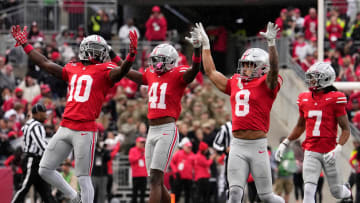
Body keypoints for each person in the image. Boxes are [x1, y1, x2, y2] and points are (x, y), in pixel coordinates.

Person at [10, 25, 138, 203]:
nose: (95, 53)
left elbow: (122, 71)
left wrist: (130, 57)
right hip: (65, 126)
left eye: (98, 50)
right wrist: (25, 45)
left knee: (84, 177)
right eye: (92, 49)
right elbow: (45, 63)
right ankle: (73, 197)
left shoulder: (105, 69)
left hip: (85, 129)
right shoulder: (73, 67)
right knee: (44, 168)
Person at [198, 21, 285, 203]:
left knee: (266, 196)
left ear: (261, 67)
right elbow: (212, 72)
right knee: (235, 194)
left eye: (249, 65)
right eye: (244, 64)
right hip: (237, 144)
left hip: (258, 145)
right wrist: (206, 46)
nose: (244, 68)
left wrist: (271, 45)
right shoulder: (236, 81)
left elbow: (275, 70)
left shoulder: (267, 84)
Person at [125, 28, 202, 203]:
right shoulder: (151, 74)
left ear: (172, 61)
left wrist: (197, 49)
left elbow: (194, 70)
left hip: (167, 130)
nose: (157, 64)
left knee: (155, 180)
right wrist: (124, 55)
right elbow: (127, 72)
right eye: (155, 60)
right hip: (151, 130)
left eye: (162, 60)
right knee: (155, 182)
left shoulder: (177, 73)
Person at [275, 62, 352, 203]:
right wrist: (285, 142)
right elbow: (299, 126)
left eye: (315, 77)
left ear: (326, 78)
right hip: (311, 150)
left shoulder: (336, 98)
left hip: (329, 152)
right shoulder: (304, 98)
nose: (311, 80)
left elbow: (346, 129)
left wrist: (338, 148)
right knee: (308, 192)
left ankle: (347, 193)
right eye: (310, 77)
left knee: (336, 192)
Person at [11, 103, 56, 203]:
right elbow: (41, 144)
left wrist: (30, 118)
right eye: (44, 113)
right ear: (38, 113)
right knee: (24, 188)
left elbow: (24, 128)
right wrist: (54, 155)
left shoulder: (30, 123)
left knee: (46, 192)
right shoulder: (36, 126)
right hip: (32, 160)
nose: (46, 115)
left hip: (37, 161)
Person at [128, 136, 147, 203]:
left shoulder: (145, 150)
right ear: (137, 143)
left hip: (144, 175)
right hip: (136, 175)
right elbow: (131, 160)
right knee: (135, 193)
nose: (142, 144)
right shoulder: (132, 150)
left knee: (143, 194)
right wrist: (140, 156)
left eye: (143, 143)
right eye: (141, 142)